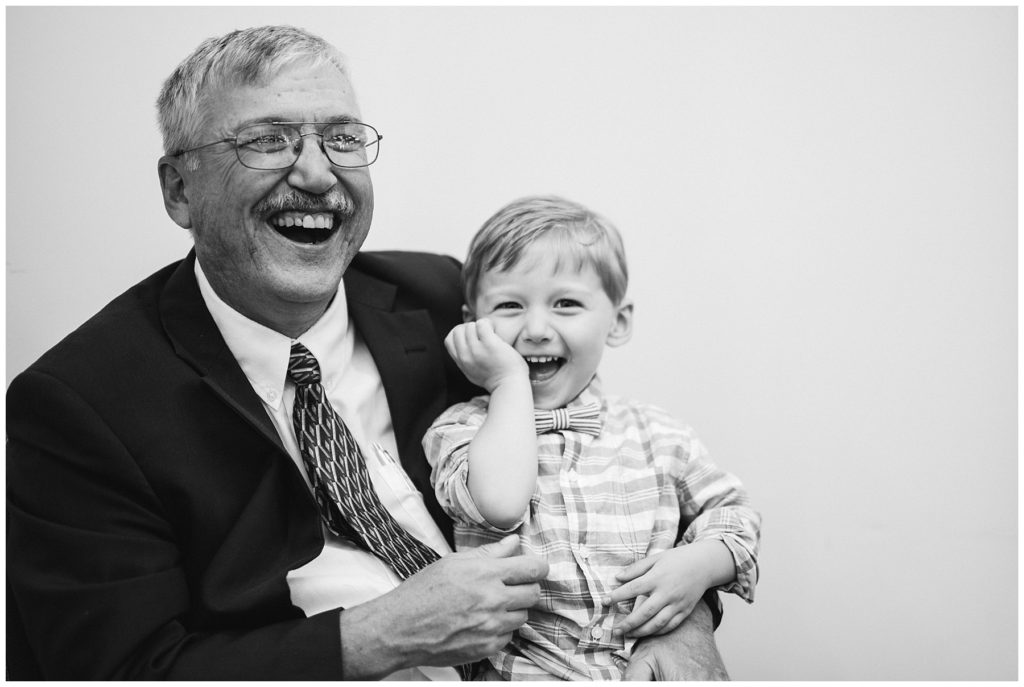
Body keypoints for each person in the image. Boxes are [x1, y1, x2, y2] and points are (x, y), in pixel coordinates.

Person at [6, 26, 728, 680]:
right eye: (269, 140)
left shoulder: (446, 300)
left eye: (342, 138)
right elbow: (117, 668)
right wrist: (377, 636)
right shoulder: (80, 406)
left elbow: (604, 475)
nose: (318, 175)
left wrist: (683, 619)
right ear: (178, 189)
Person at [424, 195, 761, 680]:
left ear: (617, 322)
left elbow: (735, 515)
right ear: (471, 325)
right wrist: (508, 383)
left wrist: (701, 564)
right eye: (509, 305)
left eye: (566, 304)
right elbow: (499, 504)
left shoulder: (659, 433)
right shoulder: (460, 430)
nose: (535, 329)